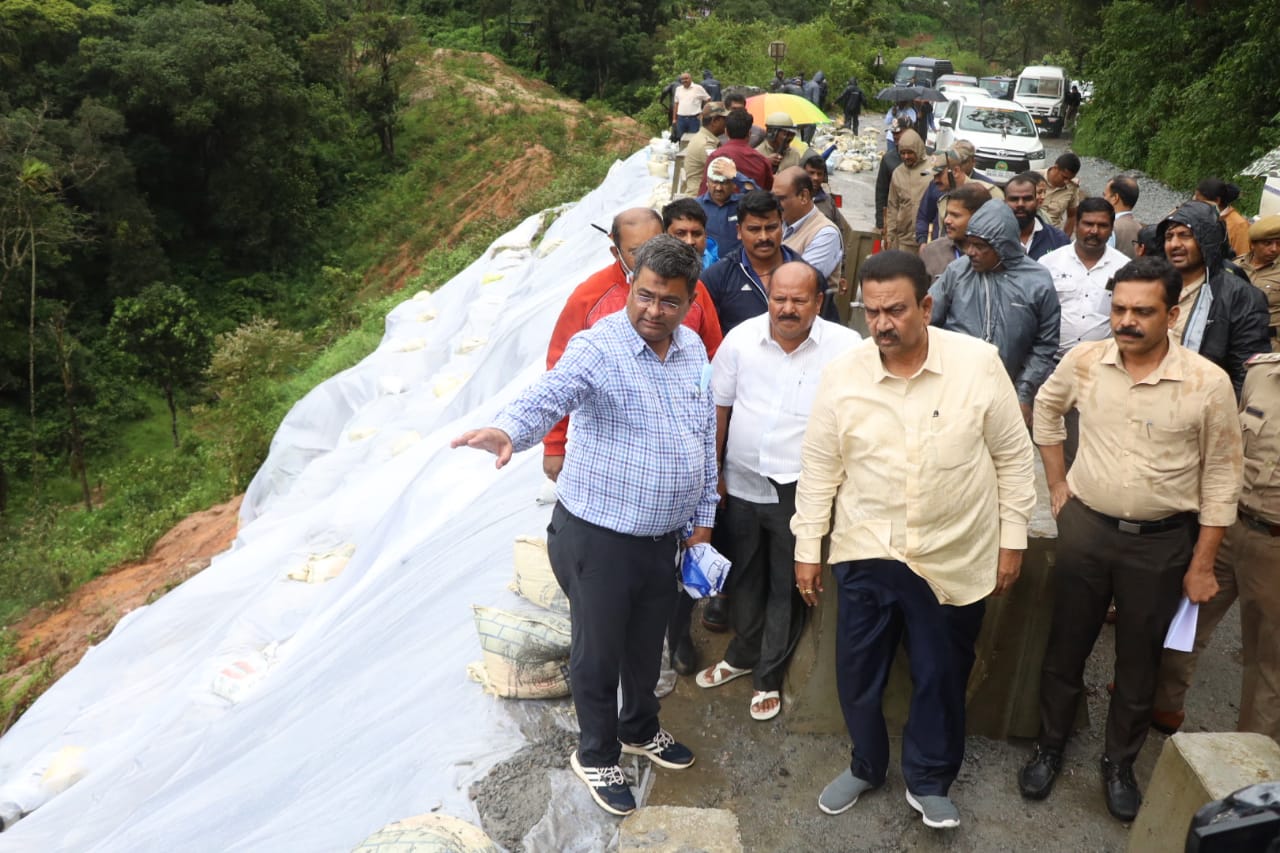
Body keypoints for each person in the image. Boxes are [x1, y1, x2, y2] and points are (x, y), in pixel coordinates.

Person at [451, 236, 716, 817]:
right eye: (643, 295)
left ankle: (639, 729)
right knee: (597, 654)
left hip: (661, 539)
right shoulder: (599, 347)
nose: (652, 310)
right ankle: (596, 753)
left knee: (647, 649)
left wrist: (703, 519)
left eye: (667, 302)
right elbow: (550, 394)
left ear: (689, 300)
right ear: (631, 286)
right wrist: (508, 432)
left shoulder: (694, 349)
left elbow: (702, 438)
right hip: (598, 537)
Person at [795, 250, 1036, 830]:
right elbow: (820, 466)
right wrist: (809, 548)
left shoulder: (978, 365)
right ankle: (867, 765)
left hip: (952, 554)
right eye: (871, 311)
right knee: (857, 673)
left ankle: (929, 780)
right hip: (865, 548)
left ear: (926, 306)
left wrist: (1013, 538)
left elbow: (1012, 456)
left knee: (940, 675)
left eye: (896, 310)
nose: (882, 323)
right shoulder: (844, 375)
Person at [1019, 256, 1243, 823]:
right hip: (1086, 529)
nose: (1126, 321)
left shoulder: (1206, 383)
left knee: (1141, 659)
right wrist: (1057, 484)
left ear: (1172, 314)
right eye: (1118, 309)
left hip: (1162, 544)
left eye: (1142, 311)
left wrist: (1203, 563)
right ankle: (1050, 746)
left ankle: (1119, 763)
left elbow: (1221, 476)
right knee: (1065, 644)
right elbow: (1046, 409)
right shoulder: (1087, 361)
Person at [696, 262, 861, 721]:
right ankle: (744, 653)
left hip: (801, 488)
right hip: (743, 481)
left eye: (798, 300)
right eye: (779, 299)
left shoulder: (846, 349)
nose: (787, 309)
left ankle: (768, 674)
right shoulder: (742, 339)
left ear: (819, 302)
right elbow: (719, 411)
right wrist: (715, 475)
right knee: (744, 574)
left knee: (789, 583)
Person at [1153, 348, 1280, 742]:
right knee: (1183, 622)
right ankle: (1161, 708)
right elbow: (1230, 451)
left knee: (1268, 665)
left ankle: (1246, 768)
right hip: (1229, 527)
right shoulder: (1262, 373)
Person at [541, 208, 723, 483]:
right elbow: (559, 374)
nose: (650, 259)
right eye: (637, 252)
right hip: (612, 450)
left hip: (679, 451)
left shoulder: (691, 293)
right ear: (616, 252)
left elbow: (714, 362)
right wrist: (555, 444)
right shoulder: (589, 298)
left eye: (656, 246)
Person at [929, 199, 1061, 420]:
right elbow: (926, 320)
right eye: (969, 243)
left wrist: (1024, 394)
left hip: (1006, 393)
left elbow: (1045, 344)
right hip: (951, 390)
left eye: (980, 246)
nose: (970, 252)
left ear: (1004, 246)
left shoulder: (1037, 281)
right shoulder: (957, 272)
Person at [1157, 200, 1270, 396]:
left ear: (1206, 240)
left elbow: (1248, 374)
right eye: (1169, 236)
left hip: (1205, 406)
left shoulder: (1239, 296)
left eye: (1185, 236)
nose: (1175, 244)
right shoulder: (1154, 285)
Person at [1040, 197, 1130, 361]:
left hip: (1102, 363)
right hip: (1051, 361)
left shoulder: (1125, 268)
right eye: (1088, 224)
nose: (1094, 231)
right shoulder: (1049, 263)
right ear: (1076, 226)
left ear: (1111, 230)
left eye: (1102, 226)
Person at [701, 190, 799, 337]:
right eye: (754, 229)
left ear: (782, 227)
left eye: (771, 228)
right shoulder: (717, 278)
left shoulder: (805, 275)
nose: (764, 237)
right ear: (739, 231)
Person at [774, 166, 844, 300]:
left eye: (780, 199)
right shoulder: (780, 223)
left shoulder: (826, 234)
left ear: (803, 196)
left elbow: (799, 282)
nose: (775, 204)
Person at [915, 142, 1004, 245]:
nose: (935, 181)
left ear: (956, 171)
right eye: (933, 176)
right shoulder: (943, 198)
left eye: (939, 174)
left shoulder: (989, 192)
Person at [803, 153, 857, 296]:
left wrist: (842, 274)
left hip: (824, 276)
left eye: (819, 174)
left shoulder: (828, 203)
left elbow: (840, 239)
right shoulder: (793, 199)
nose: (815, 177)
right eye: (811, 173)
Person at [918, 183, 991, 280]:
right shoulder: (932, 251)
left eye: (955, 215)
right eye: (947, 214)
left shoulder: (995, 255)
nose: (946, 220)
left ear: (978, 217)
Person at [1235, 215, 1280, 350]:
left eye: (1279, 243)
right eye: (1267, 243)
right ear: (1253, 244)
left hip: (1270, 345)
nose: (1274, 249)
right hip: (1235, 341)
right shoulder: (1235, 265)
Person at [703, 110, 774, 194]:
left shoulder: (715, 157)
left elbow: (704, 190)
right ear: (749, 133)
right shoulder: (762, 160)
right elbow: (767, 191)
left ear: (726, 132)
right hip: (753, 204)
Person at [884, 129, 931, 254]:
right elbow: (893, 206)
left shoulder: (933, 168)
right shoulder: (898, 173)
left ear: (918, 149)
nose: (906, 157)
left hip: (928, 239)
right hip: (904, 239)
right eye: (902, 153)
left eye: (910, 152)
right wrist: (890, 236)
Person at [1004, 172, 1070, 260]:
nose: (1020, 204)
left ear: (1037, 201)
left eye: (1027, 199)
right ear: (1004, 202)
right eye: (1014, 199)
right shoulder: (990, 238)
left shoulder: (1058, 240)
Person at [680, 102, 728, 196]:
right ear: (714, 121)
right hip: (699, 198)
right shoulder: (705, 145)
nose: (727, 123)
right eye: (724, 119)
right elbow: (721, 171)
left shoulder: (704, 138)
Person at [1195, 177, 1251, 259]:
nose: (1195, 205)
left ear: (1217, 201)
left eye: (1199, 201)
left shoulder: (1239, 225)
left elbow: (1242, 258)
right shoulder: (1201, 217)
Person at [698, 157, 742, 258]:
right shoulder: (696, 207)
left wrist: (737, 176)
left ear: (733, 184)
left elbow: (764, 200)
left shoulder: (744, 204)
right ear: (707, 182)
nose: (718, 188)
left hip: (736, 267)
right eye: (714, 182)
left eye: (724, 183)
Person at [874, 120, 910, 240]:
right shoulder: (888, 159)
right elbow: (881, 191)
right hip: (893, 215)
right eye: (893, 133)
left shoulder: (924, 156)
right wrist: (880, 221)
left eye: (899, 132)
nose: (895, 136)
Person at [663, 197, 718, 269]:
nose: (690, 242)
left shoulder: (719, 272)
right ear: (664, 235)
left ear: (705, 235)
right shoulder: (650, 270)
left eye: (697, 234)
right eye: (680, 234)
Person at [1039, 153, 1083, 236]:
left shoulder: (1072, 187)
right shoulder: (1034, 178)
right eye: (1064, 177)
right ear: (1055, 168)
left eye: (1070, 179)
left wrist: (1065, 241)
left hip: (1053, 236)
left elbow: (1072, 216)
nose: (1066, 182)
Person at [1103, 175, 1143, 260]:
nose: (1103, 199)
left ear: (1115, 198)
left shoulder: (1110, 227)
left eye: (1105, 195)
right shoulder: (1140, 228)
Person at [672, 72, 711, 143]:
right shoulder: (678, 89)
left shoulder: (698, 88)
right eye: (682, 79)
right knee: (681, 140)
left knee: (693, 140)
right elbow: (676, 104)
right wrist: (674, 119)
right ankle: (682, 154)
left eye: (686, 78)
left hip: (694, 119)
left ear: (690, 79)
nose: (684, 80)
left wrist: (703, 113)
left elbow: (708, 99)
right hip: (681, 119)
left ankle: (692, 154)